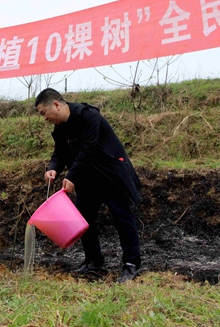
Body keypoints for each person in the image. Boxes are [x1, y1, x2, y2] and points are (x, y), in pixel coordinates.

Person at [35, 88, 142, 283]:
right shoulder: (60, 128)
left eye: (44, 113)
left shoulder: (88, 116)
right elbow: (59, 153)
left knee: (122, 218)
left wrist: (72, 176)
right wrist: (53, 169)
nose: (44, 118)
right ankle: (94, 261)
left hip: (110, 175)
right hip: (87, 179)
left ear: (56, 105)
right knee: (83, 220)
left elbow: (89, 148)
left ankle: (131, 263)